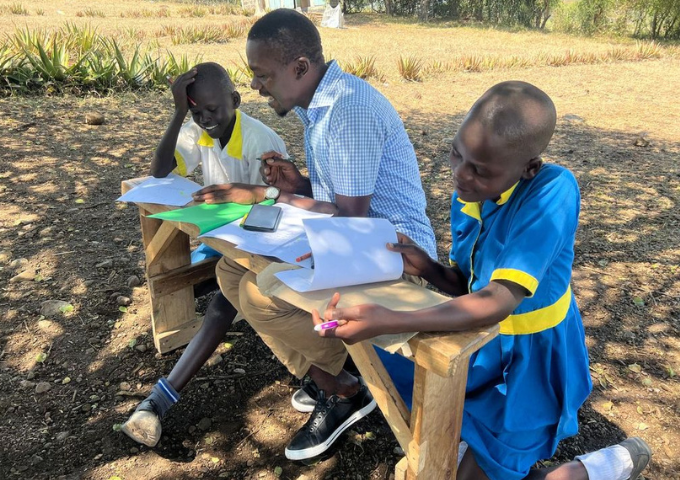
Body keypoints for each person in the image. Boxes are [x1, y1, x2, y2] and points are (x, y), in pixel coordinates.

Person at [311, 81, 652, 480]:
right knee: (452, 434)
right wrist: (428, 269)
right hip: (481, 345)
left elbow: (497, 299)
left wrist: (391, 319)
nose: (460, 175)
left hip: (529, 361)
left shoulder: (553, 191)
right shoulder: (470, 193)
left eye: (479, 170)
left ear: (528, 168)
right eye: (457, 153)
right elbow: (471, 285)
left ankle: (593, 470)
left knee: (485, 467)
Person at [210, 8, 439, 461]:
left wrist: (263, 193)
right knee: (230, 270)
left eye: (262, 76)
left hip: (395, 255)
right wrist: (297, 186)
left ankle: (345, 387)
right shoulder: (320, 106)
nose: (256, 87)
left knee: (261, 294)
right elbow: (340, 198)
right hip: (358, 238)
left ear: (299, 67)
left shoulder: (347, 110)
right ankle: (334, 379)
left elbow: (351, 219)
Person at [121, 62, 288, 447]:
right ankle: (163, 383)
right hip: (219, 236)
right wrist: (179, 113)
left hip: (255, 243)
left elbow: (276, 206)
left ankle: (158, 401)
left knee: (221, 301)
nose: (206, 119)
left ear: (235, 100)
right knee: (188, 276)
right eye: (197, 112)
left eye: (212, 110)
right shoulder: (198, 131)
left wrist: (237, 207)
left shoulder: (262, 141)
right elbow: (160, 171)